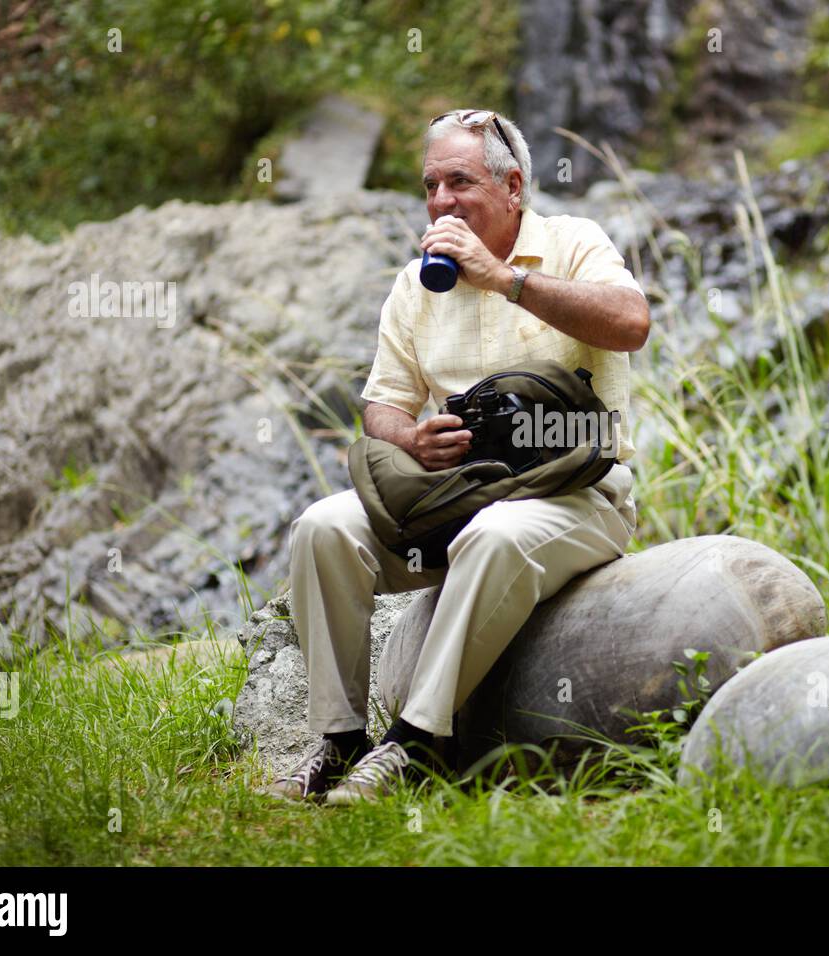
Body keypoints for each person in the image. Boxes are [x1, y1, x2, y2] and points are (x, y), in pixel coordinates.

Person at [262, 108, 650, 805]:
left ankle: (416, 745)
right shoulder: (416, 284)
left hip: (578, 499)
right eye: (431, 185)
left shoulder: (572, 242)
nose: (442, 201)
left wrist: (504, 278)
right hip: (455, 496)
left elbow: (631, 324)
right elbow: (381, 403)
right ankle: (341, 740)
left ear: (513, 188)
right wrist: (410, 438)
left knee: (495, 535)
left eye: (460, 182)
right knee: (322, 527)